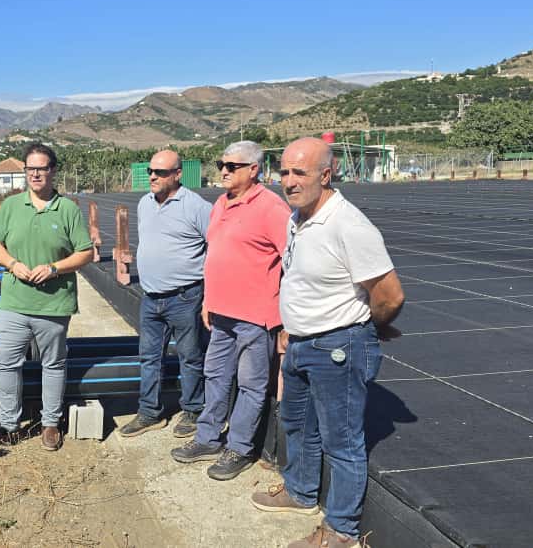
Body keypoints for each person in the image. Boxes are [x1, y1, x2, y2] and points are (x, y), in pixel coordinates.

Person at [251, 137, 404, 548]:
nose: (289, 181)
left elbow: (390, 295)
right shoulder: (297, 217)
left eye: (299, 172)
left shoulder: (348, 225)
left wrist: (368, 326)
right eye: (284, 172)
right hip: (301, 343)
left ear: (326, 174)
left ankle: (341, 531)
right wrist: (290, 327)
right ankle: (301, 492)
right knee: (296, 421)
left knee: (342, 442)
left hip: (337, 348)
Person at [170, 141, 290, 481]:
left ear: (253, 169)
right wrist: (208, 301)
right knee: (216, 376)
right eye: (221, 164)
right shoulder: (221, 203)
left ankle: (239, 448)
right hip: (220, 313)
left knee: (251, 385)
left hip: (255, 317)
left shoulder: (271, 208)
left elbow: (293, 260)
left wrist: (288, 318)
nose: (223, 170)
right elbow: (214, 256)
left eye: (232, 166)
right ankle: (207, 438)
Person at [0, 143, 93, 451]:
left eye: (42, 168)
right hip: (15, 302)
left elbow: (85, 253)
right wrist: (12, 264)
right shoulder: (11, 206)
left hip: (53, 304)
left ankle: (50, 424)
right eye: (31, 169)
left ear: (53, 171)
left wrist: (54, 268)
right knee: (6, 363)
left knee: (53, 364)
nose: (36, 174)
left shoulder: (67, 209)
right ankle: (9, 425)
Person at [118, 149, 211, 439]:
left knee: (190, 356)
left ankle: (193, 410)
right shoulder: (145, 203)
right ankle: (150, 412)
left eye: (160, 172)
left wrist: (210, 296)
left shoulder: (197, 207)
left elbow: (216, 248)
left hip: (185, 297)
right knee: (149, 357)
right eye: (150, 171)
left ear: (177, 174)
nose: (153, 177)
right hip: (151, 297)